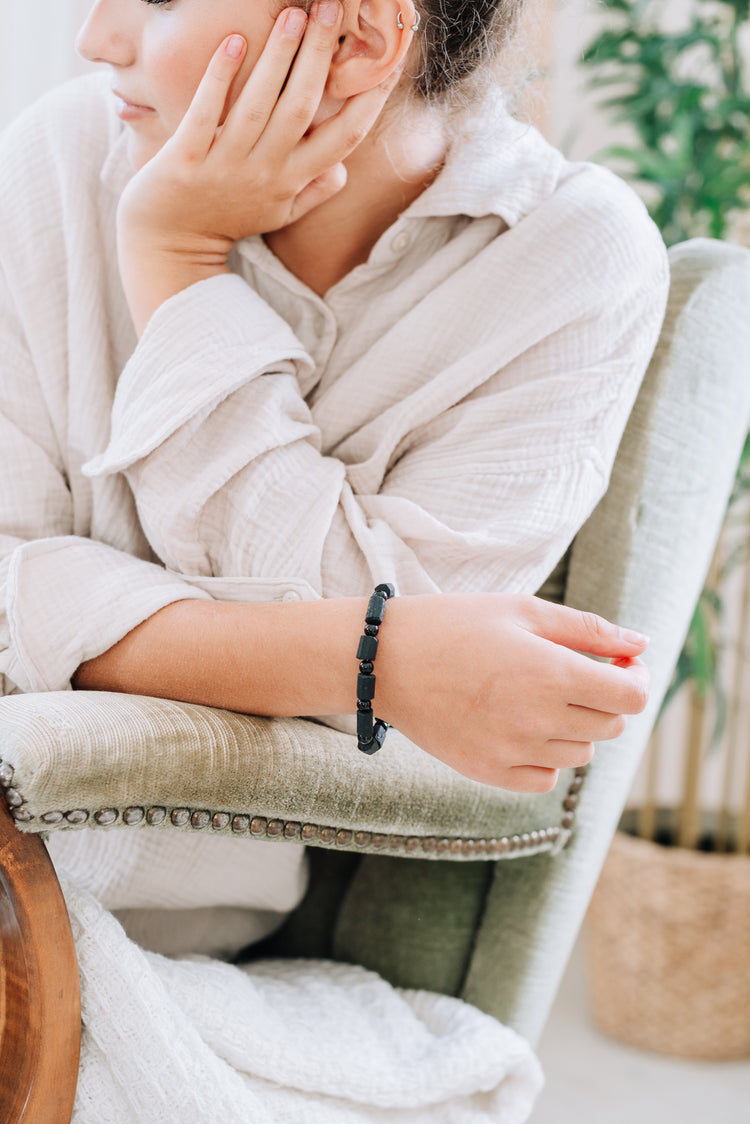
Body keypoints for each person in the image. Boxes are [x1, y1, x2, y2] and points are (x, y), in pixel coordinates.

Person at [0, 0, 667, 956]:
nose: (95, 36)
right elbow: (382, 651)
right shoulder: (66, 151)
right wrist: (376, 654)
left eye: (153, 0)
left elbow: (365, 673)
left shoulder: (572, 259)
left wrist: (176, 264)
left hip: (140, 896)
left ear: (356, 41)